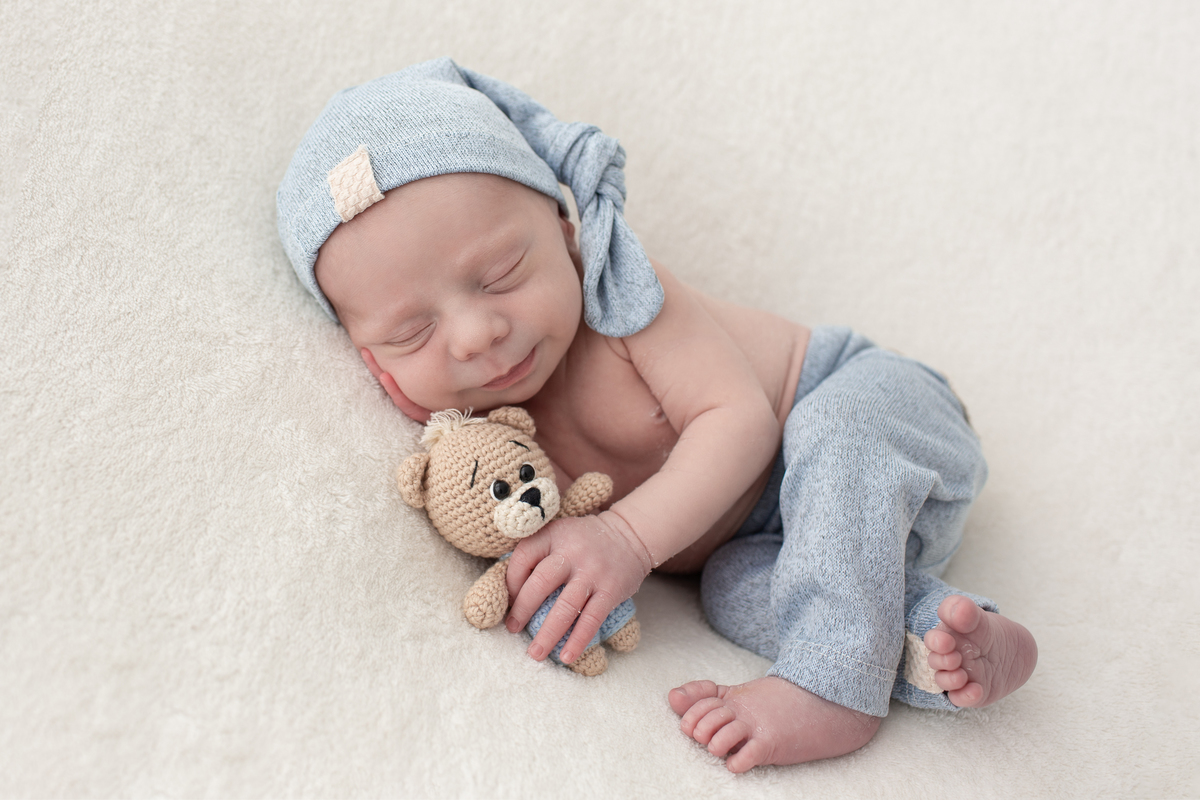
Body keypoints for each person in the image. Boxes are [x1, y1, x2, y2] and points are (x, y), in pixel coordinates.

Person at [276, 58, 1037, 772]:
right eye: (411, 334)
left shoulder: (622, 300)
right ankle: (943, 644)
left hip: (879, 420)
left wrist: (625, 537)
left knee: (834, 437)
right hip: (801, 541)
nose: (476, 335)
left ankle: (830, 689)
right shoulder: (491, 437)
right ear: (374, 363)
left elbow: (739, 419)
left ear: (568, 236)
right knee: (734, 591)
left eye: (501, 274)